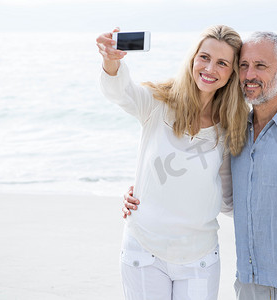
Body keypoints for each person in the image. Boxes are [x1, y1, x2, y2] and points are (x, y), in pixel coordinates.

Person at [124, 31, 277, 300]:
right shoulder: (235, 133)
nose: (249, 75)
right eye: (243, 66)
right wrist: (146, 189)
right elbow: (223, 195)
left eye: (260, 66)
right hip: (249, 286)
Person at [97, 25, 249, 300]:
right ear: (193, 58)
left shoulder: (231, 126)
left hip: (199, 258)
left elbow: (227, 199)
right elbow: (120, 92)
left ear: (232, 73)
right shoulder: (159, 102)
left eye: (222, 63)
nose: (210, 68)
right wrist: (111, 61)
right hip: (143, 251)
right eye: (204, 57)